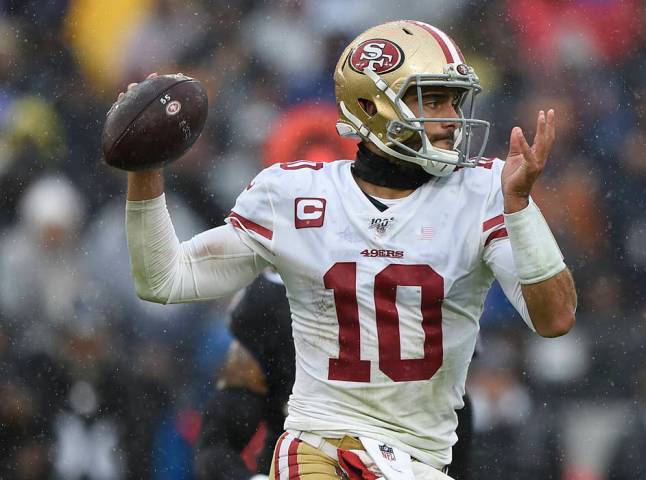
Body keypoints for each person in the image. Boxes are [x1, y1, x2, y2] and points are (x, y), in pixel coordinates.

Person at [122, 20, 576, 479]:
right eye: (433, 100)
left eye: (455, 101)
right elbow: (165, 278)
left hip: (418, 461)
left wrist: (520, 207)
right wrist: (145, 170)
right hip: (321, 445)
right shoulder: (295, 195)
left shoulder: (486, 190)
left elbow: (555, 318)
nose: (452, 119)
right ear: (370, 106)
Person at [194, 269, 475, 480]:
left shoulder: (433, 279)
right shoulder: (272, 298)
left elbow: (455, 412)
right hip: (303, 464)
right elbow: (218, 444)